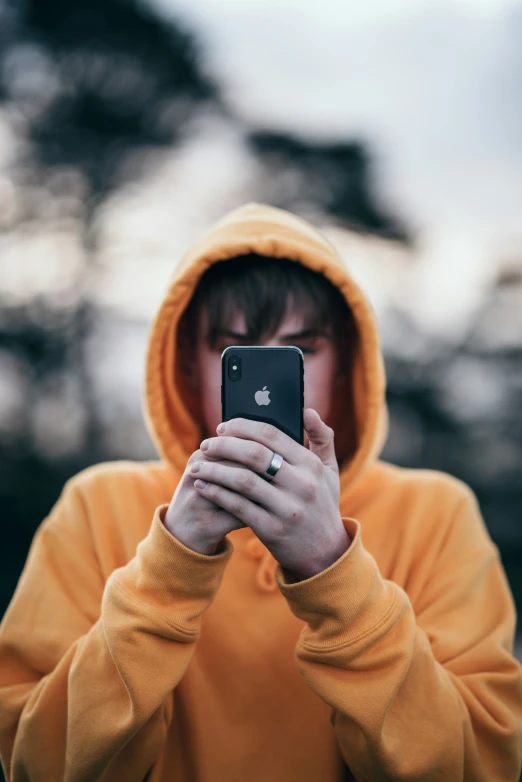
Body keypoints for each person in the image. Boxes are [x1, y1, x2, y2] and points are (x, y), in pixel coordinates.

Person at [0, 202, 521, 782]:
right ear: (190, 367)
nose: (272, 382)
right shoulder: (95, 507)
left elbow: (479, 765)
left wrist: (332, 566)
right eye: (235, 347)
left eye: (301, 347)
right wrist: (173, 561)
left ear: (346, 364)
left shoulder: (436, 513)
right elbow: (36, 763)